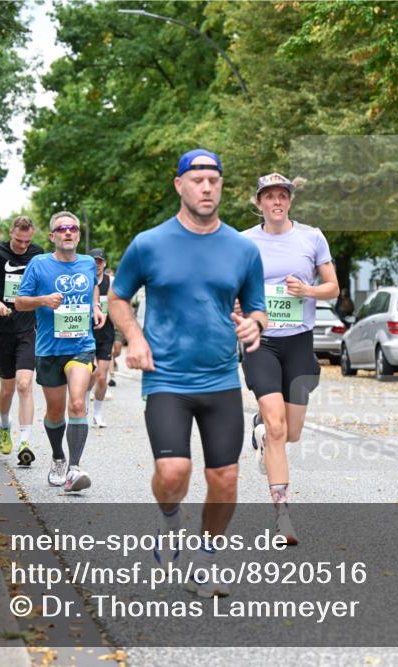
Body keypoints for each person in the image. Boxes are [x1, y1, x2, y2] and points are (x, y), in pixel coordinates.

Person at [109, 148, 266, 598]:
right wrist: (135, 339)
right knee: (174, 473)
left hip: (220, 379)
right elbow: (119, 298)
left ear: (221, 186)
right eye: (197, 179)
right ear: (179, 185)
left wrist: (256, 323)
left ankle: (207, 558)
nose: (206, 187)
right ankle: (170, 520)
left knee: (226, 480)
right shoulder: (149, 244)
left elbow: (257, 307)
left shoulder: (242, 249)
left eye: (213, 180)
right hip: (167, 379)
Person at [241, 173, 337, 544]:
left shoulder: (312, 237)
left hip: (299, 341)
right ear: (259, 202)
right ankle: (282, 516)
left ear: (290, 201)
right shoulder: (244, 241)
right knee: (279, 428)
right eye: (270, 197)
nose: (277, 202)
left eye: (283, 196)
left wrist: (308, 289)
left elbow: (333, 287)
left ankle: (262, 431)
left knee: (291, 433)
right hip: (260, 342)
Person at [16, 211, 105, 492]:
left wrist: (97, 306)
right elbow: (19, 302)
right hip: (49, 348)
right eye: (61, 229)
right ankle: (57, 457)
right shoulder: (38, 264)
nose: (68, 232)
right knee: (55, 412)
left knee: (77, 403)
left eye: (73, 228)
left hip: (81, 345)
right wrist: (42, 300)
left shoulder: (89, 263)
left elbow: (92, 288)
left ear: (78, 235)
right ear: (52, 236)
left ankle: (74, 469)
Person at [0, 216, 45, 462]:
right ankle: (5, 426)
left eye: (27, 241)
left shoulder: (38, 254)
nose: (23, 245)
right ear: (11, 233)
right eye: (19, 240)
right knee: (7, 388)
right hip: (3, 330)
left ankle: (25, 442)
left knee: (25, 384)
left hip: (28, 328)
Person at [87, 249, 114, 426]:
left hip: (106, 334)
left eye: (100, 261)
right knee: (90, 374)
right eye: (94, 261)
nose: (97, 264)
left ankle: (98, 413)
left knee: (102, 376)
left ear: (104, 264)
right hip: (86, 334)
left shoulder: (111, 282)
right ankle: (82, 402)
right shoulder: (83, 280)